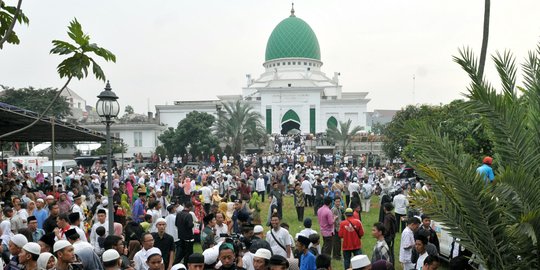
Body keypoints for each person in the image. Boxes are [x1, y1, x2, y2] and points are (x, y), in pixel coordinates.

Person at [331, 196, 344, 260]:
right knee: (336, 243)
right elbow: (334, 220)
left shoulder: (339, 208)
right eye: (337, 201)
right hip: (336, 228)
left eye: (339, 201)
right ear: (334, 202)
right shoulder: (334, 209)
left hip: (339, 227)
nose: (338, 203)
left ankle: (337, 255)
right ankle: (337, 256)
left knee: (338, 242)